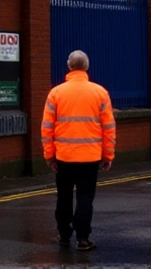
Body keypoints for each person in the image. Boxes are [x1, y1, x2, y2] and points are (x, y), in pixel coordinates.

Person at [42, 50, 115, 251]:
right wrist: (108, 154)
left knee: (63, 196)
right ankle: (83, 238)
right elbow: (108, 128)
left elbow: (47, 128)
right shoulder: (100, 93)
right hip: (90, 156)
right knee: (85, 197)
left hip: (64, 156)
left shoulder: (56, 93)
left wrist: (49, 155)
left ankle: (64, 235)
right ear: (87, 67)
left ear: (69, 66)